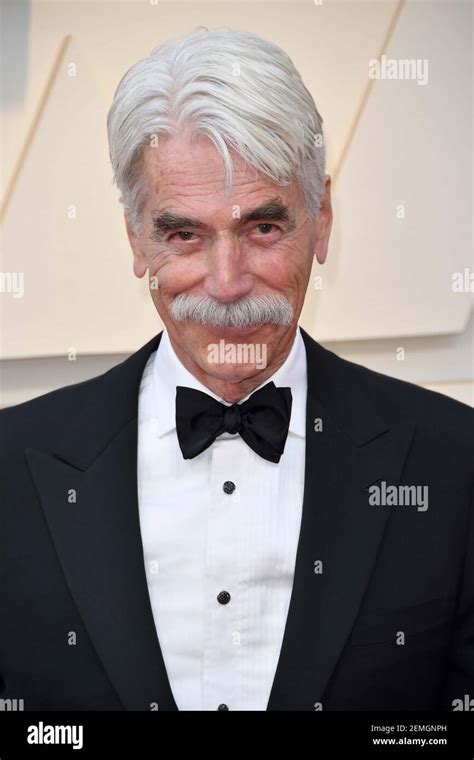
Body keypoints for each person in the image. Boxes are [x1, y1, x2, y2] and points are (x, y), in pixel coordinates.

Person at [1, 28, 472, 712]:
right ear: (136, 238)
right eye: (183, 234)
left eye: (262, 228)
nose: (226, 284)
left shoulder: (453, 465)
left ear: (324, 218)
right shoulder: (11, 469)